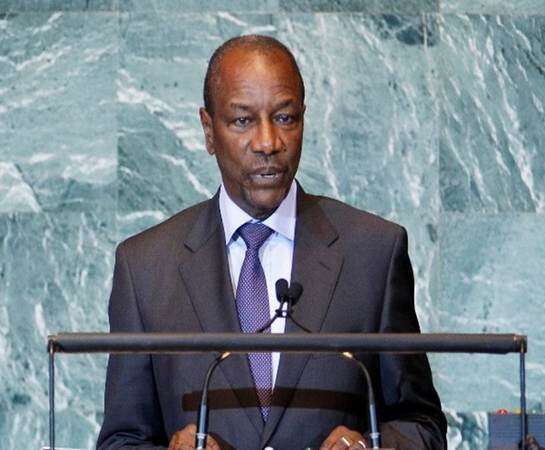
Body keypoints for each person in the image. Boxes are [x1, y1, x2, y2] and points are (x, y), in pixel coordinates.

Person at [97, 35, 447, 450]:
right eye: (242, 121)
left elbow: (422, 424)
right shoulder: (145, 266)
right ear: (208, 131)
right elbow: (123, 440)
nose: (268, 142)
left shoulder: (373, 252)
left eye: (284, 117)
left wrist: (371, 446)